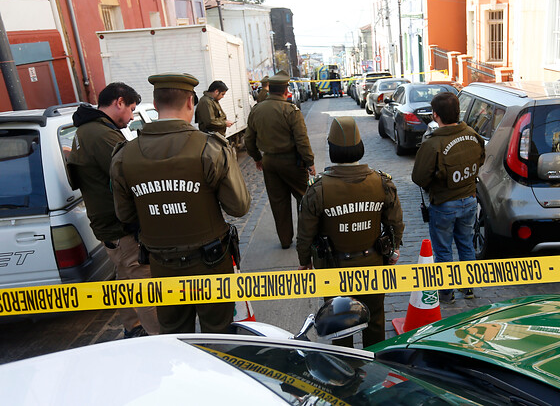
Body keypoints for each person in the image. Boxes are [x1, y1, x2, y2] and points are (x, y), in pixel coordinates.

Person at [111, 73, 250, 333]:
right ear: (190, 102)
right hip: (210, 261)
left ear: (154, 104)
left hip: (161, 264)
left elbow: (125, 215)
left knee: (174, 335)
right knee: (218, 332)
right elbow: (239, 206)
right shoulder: (210, 148)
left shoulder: (123, 156)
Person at [296, 117, 404, 348]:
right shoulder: (381, 183)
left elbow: (305, 233)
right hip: (373, 263)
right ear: (360, 147)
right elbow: (395, 223)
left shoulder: (318, 190)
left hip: (334, 269)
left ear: (332, 149)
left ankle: (345, 370)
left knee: (339, 323)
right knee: (375, 320)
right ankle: (375, 365)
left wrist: (305, 261)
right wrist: (394, 251)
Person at [67, 83, 160, 338]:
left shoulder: (87, 130)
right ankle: (159, 340)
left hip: (108, 227)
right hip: (121, 227)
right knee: (144, 285)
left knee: (126, 279)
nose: (131, 117)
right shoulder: (101, 135)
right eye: (130, 109)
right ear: (118, 102)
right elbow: (130, 173)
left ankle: (133, 328)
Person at [411, 92, 485, 304]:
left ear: (436, 115)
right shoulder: (472, 134)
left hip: (444, 204)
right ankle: (468, 288)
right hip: (470, 200)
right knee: (466, 244)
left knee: (443, 250)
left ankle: (446, 292)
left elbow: (418, 177)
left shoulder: (433, 144)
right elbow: (481, 159)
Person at [245, 70, 315, 249]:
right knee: (304, 199)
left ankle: (285, 240)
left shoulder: (257, 110)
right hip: (292, 162)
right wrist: (309, 162)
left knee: (278, 203)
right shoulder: (290, 110)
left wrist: (257, 158)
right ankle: (306, 239)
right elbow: (301, 140)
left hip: (269, 162)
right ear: (286, 91)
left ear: (269, 91)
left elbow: (249, 139)